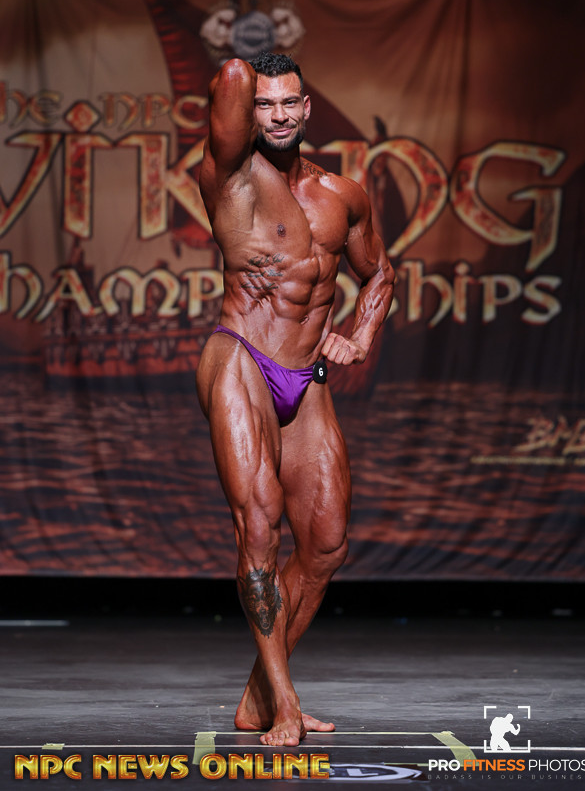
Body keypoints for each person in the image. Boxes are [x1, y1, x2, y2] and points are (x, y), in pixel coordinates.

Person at [196, 53, 395, 747]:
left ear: (308, 109)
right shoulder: (230, 178)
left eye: (289, 103)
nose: (278, 116)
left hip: (305, 377)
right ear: (249, 113)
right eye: (264, 104)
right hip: (241, 358)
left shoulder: (343, 194)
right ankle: (284, 702)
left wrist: (360, 337)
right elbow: (229, 79)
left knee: (327, 544)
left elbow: (380, 274)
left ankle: (259, 693)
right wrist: (243, 69)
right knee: (260, 528)